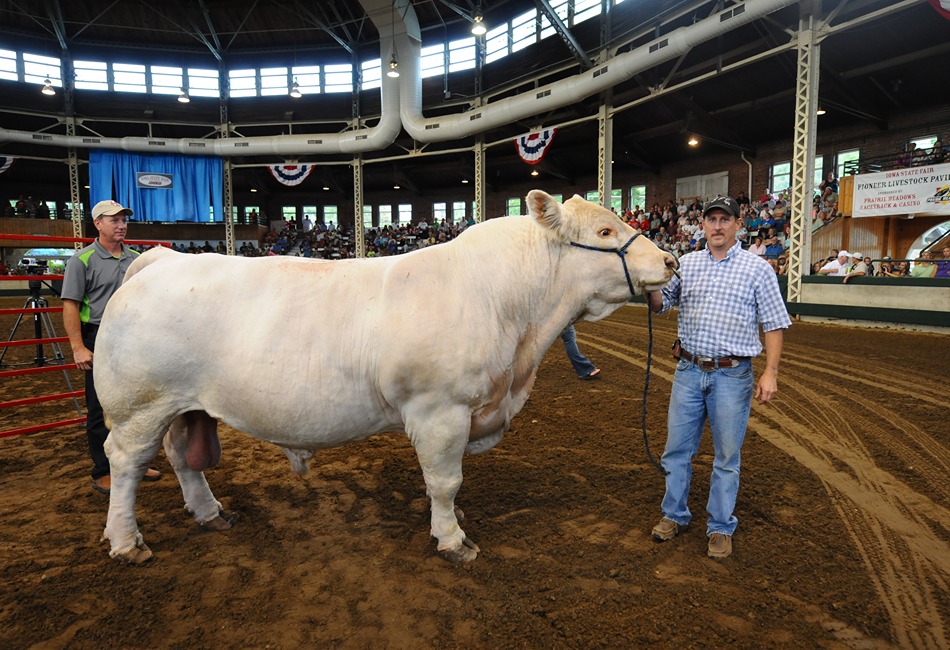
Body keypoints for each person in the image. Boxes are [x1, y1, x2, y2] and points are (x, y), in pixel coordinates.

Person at [646, 196, 791, 559]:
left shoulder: (758, 269)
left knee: (726, 455)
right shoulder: (688, 264)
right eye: (711, 219)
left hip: (732, 374)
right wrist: (649, 279)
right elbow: (661, 305)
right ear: (703, 225)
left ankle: (721, 526)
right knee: (677, 449)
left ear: (738, 225)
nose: (717, 226)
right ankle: (674, 514)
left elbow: (774, 324)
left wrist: (771, 372)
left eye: (725, 219)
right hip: (689, 370)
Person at [61, 200, 162, 495]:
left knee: (136, 403)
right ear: (98, 224)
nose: (121, 225)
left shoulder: (137, 260)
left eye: (123, 220)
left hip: (133, 336)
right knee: (99, 406)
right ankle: (103, 470)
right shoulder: (81, 260)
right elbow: (70, 306)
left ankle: (135, 462)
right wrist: (78, 347)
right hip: (98, 336)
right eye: (114, 220)